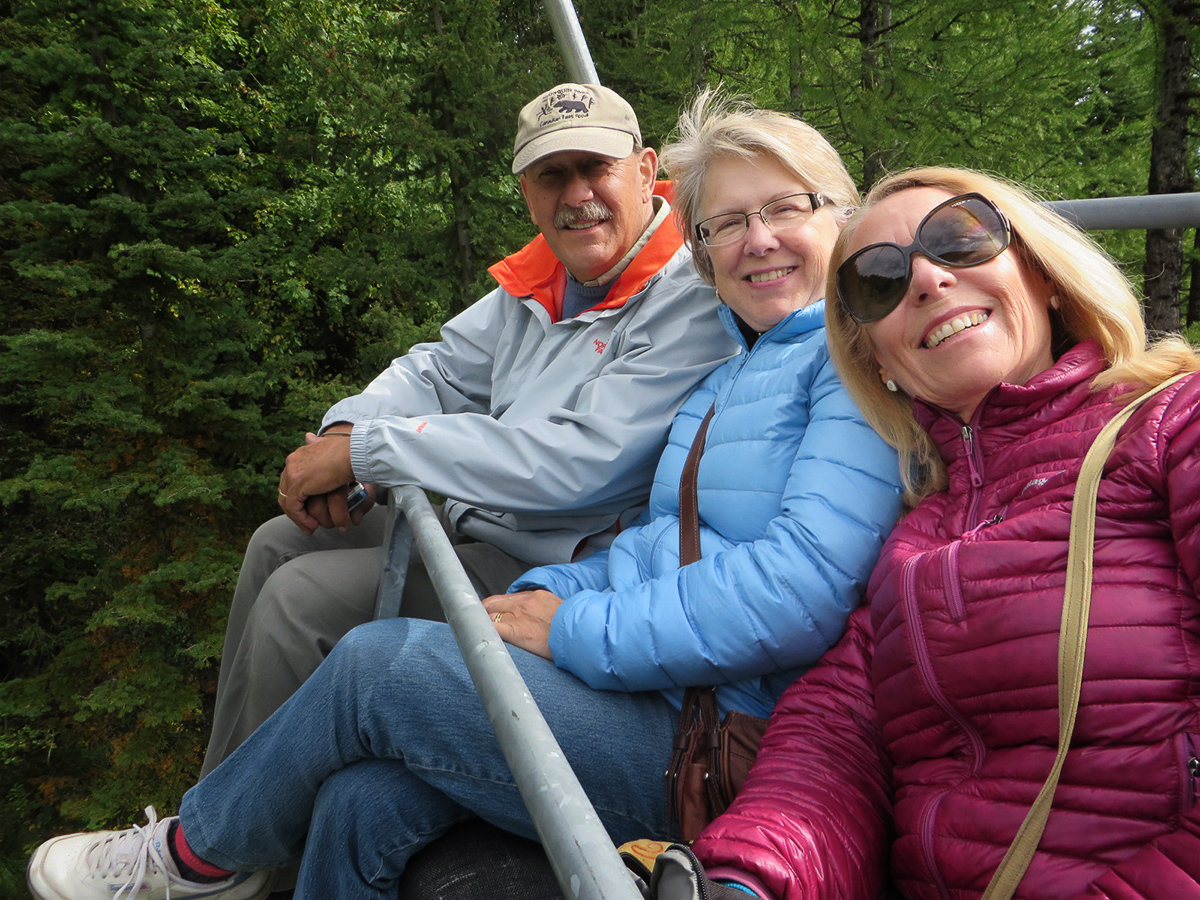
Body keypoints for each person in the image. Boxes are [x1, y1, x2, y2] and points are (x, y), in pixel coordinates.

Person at [26, 92, 903, 900]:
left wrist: (566, 623)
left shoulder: (842, 365)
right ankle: (232, 839)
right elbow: (649, 535)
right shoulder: (736, 364)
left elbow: (794, 589)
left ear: (840, 217)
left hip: (717, 741)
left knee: (374, 664)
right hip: (661, 686)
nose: (758, 241)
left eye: (786, 209)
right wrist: (537, 598)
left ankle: (200, 854)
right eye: (731, 223)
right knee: (361, 800)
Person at [674, 167, 1200, 900]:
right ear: (878, 361)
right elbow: (832, 740)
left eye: (958, 239)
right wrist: (752, 876)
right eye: (879, 281)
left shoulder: (1175, 424)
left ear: (1043, 275)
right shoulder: (912, 542)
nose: (926, 278)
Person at [202, 81, 739, 774]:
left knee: (299, 602)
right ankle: (212, 801)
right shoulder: (539, 281)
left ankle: (244, 834)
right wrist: (346, 430)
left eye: (595, 167)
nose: (577, 194)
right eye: (552, 175)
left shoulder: (688, 294)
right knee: (276, 545)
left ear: (644, 170)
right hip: (478, 527)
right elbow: (436, 369)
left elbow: (575, 463)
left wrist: (370, 452)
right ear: (527, 193)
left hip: (558, 560)